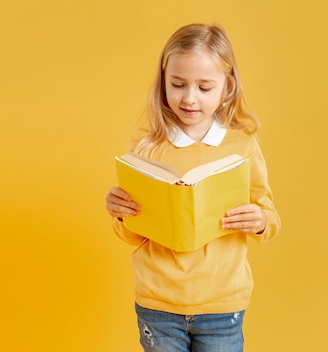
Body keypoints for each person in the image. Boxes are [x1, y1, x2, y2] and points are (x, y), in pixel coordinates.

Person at [105, 23, 281, 352]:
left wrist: (259, 220)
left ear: (227, 87)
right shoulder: (147, 146)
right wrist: (120, 214)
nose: (189, 98)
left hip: (222, 304)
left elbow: (270, 216)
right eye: (178, 84)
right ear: (163, 83)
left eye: (204, 87)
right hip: (158, 303)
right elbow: (133, 234)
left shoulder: (241, 144)